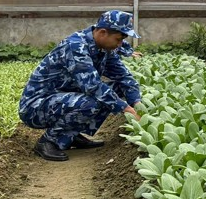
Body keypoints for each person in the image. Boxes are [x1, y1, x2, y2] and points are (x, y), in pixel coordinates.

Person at [18, 10, 142, 162]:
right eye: (118, 39)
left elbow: (123, 77)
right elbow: (93, 86)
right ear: (103, 33)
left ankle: (70, 135)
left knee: (118, 87)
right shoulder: (76, 46)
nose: (120, 44)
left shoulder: (104, 49)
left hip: (61, 99)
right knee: (92, 102)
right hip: (35, 106)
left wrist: (137, 103)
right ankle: (48, 142)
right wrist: (127, 109)